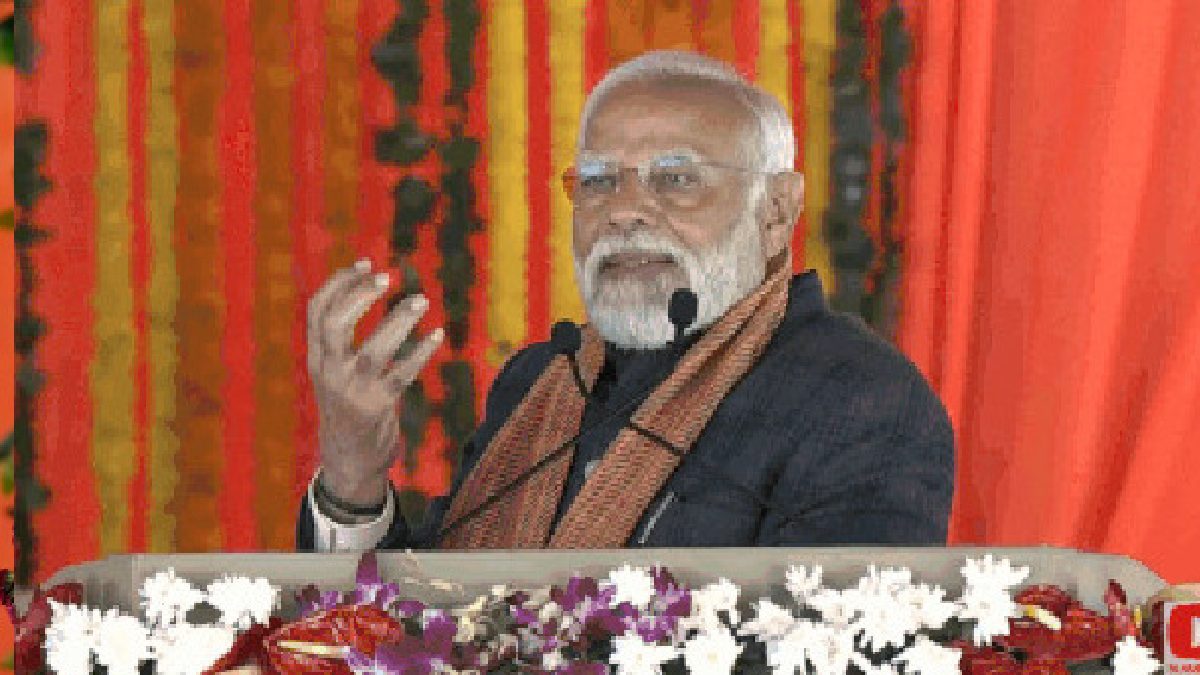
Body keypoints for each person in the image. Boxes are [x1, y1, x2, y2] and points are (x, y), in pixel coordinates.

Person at [295, 50, 954, 552]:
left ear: (777, 210)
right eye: (598, 180)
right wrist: (353, 479)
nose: (625, 211)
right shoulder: (542, 379)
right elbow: (410, 630)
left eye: (676, 178)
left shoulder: (860, 402)